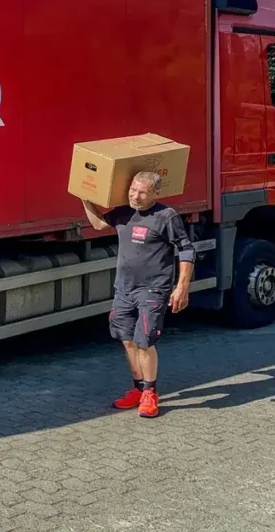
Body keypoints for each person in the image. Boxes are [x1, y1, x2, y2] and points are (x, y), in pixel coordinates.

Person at [82, 170, 195, 418]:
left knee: (145, 342)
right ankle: (137, 390)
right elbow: (99, 223)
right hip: (124, 289)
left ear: (156, 193)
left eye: (142, 192)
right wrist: (85, 197)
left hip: (153, 289)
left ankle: (150, 393)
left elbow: (186, 251)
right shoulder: (124, 213)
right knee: (127, 339)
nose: (135, 195)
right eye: (133, 189)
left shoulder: (166, 217)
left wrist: (182, 286)